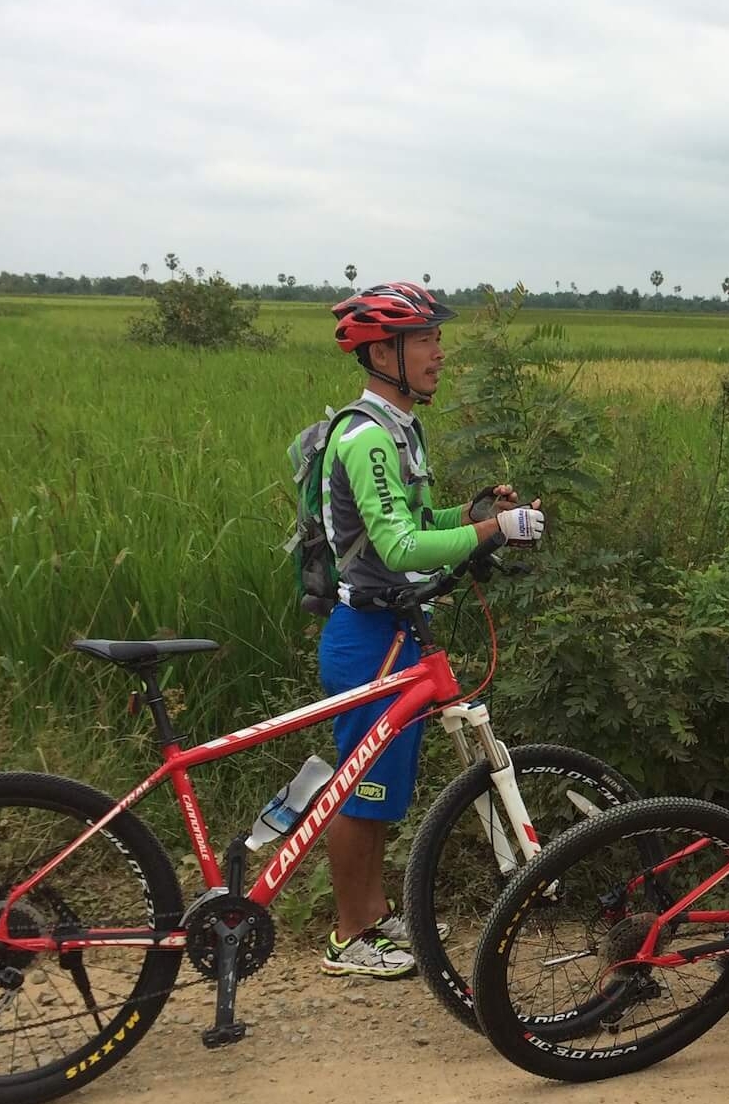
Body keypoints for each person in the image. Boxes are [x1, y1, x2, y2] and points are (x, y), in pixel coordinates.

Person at [317, 281, 545, 979]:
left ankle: (374, 916)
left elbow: (419, 525)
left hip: (390, 634)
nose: (439, 352)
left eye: (436, 338)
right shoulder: (366, 438)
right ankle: (349, 935)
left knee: (379, 789)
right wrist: (492, 528)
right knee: (363, 792)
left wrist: (474, 515)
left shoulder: (397, 429)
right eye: (426, 339)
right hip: (370, 639)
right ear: (383, 351)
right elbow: (398, 548)